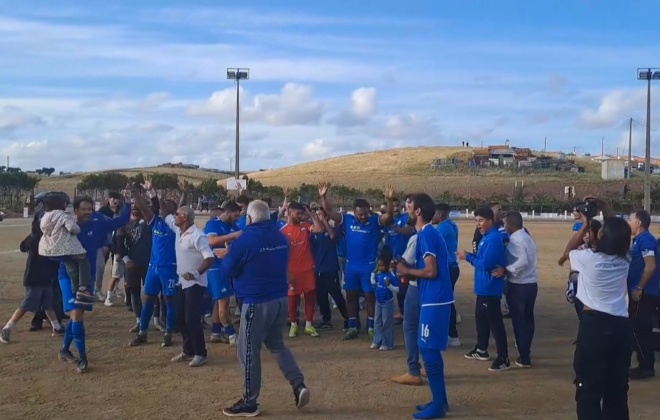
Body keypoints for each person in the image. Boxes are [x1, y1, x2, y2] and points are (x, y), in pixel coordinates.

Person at [218, 200, 310, 417]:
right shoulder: (279, 236)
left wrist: (228, 255)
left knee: (248, 351)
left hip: (256, 301)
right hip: (279, 298)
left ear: (249, 218)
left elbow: (227, 270)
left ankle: (250, 401)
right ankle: (299, 385)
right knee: (277, 346)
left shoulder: (245, 239)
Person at [561, 207, 632, 419]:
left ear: (601, 236)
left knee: (588, 387)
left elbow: (568, 251)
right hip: (621, 326)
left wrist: (585, 224)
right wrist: (605, 212)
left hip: (594, 326)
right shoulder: (626, 258)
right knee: (618, 386)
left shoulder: (587, 259)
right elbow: (618, 233)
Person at [396, 193, 454, 420]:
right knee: (427, 348)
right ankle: (440, 401)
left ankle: (439, 405)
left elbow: (431, 271)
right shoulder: (427, 233)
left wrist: (406, 271)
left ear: (418, 211)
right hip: (433, 298)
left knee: (429, 350)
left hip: (435, 299)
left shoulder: (427, 235)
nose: (407, 210)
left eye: (410, 207)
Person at [58, 194, 130, 373]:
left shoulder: (98, 221)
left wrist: (127, 202)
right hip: (66, 275)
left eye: (89, 209)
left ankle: (65, 349)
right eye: (83, 209)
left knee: (78, 314)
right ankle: (82, 358)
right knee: (76, 314)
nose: (87, 212)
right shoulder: (66, 226)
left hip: (87, 278)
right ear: (75, 211)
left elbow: (120, 221)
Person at [319, 182, 395, 341]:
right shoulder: (346, 220)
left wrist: (389, 201)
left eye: (365, 214)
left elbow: (388, 217)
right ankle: (353, 326)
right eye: (360, 214)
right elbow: (329, 211)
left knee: (369, 297)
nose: (363, 217)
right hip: (351, 266)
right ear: (354, 212)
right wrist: (324, 197)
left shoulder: (374, 221)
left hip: (369, 267)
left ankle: (371, 326)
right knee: (351, 297)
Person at [129, 179, 183, 348]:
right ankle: (143, 332)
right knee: (149, 299)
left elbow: (181, 206)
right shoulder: (156, 222)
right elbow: (145, 208)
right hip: (153, 268)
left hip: (170, 268)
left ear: (174, 211)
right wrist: (136, 192)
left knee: (170, 300)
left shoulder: (177, 226)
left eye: (167, 204)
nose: (162, 205)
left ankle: (168, 333)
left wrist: (184, 193)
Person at [1, 204, 63, 344]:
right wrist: (35, 235)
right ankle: (7, 328)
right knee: (27, 304)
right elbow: (23, 247)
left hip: (46, 276)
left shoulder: (48, 237)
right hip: (34, 277)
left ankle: (57, 327)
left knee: (48, 303)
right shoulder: (37, 238)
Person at [458, 206, 510, 372]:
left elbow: (485, 264)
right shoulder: (486, 237)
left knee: (495, 324)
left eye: (481, 221)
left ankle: (503, 358)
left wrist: (467, 256)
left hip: (490, 289)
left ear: (490, 220)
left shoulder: (493, 239)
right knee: (481, 320)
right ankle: (481, 349)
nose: (478, 224)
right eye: (476, 221)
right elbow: (481, 260)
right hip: (483, 288)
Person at [166, 206, 215, 367]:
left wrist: (195, 273)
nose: (175, 216)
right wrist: (152, 192)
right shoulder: (178, 229)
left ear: (185, 217)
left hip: (196, 283)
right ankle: (188, 350)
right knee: (180, 318)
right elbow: (163, 212)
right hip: (183, 282)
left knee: (192, 319)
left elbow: (209, 259)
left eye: (177, 214)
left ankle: (201, 353)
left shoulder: (198, 236)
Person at [492, 211, 538, 367]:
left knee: (519, 321)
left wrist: (506, 270)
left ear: (510, 225)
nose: (504, 227)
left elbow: (522, 261)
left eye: (505, 224)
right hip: (531, 284)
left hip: (519, 284)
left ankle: (524, 356)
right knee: (528, 319)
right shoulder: (527, 238)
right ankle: (526, 351)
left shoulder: (515, 240)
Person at [38, 195, 95, 305]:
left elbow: (43, 228)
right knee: (83, 259)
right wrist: (77, 228)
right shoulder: (62, 215)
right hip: (64, 247)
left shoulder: (45, 216)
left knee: (71, 266)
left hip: (49, 249)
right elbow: (72, 228)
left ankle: (76, 294)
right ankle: (83, 288)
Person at [281, 201, 324, 338]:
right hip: (292, 272)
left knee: (310, 297)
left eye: (301, 213)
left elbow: (319, 229)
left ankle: (308, 325)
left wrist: (311, 214)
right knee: (292, 299)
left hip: (307, 270)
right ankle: (293, 325)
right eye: (297, 213)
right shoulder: (282, 232)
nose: (300, 216)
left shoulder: (305, 227)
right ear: (289, 212)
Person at [626, 209, 659, 380]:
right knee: (639, 329)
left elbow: (650, 265)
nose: (628, 222)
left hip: (645, 293)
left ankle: (646, 367)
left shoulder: (645, 239)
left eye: (630, 219)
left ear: (638, 223)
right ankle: (644, 364)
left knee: (641, 330)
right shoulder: (640, 239)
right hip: (643, 292)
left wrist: (639, 288)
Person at [204, 201, 242, 344]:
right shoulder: (213, 224)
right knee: (224, 303)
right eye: (235, 215)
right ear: (227, 212)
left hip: (225, 268)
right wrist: (233, 236)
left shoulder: (233, 226)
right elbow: (211, 241)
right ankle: (232, 335)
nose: (237, 218)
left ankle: (215, 332)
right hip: (215, 268)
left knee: (220, 300)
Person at [310, 207, 349, 330]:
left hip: (330, 269)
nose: (318, 217)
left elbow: (332, 236)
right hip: (318, 270)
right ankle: (326, 320)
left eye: (321, 215)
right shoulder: (312, 232)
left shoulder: (334, 229)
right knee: (321, 297)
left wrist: (324, 221)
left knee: (337, 295)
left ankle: (348, 318)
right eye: (316, 215)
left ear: (327, 216)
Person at [120, 198, 153, 333]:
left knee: (152, 293)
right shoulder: (123, 224)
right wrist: (126, 259)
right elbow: (119, 244)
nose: (135, 207)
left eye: (138, 205)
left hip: (149, 263)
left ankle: (155, 319)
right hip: (131, 264)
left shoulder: (150, 222)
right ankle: (139, 321)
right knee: (134, 292)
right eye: (133, 205)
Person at [434, 203, 461, 347]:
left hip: (447, 267)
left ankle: (452, 334)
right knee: (447, 299)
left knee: (444, 301)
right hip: (452, 266)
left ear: (439, 215)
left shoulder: (442, 228)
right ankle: (451, 331)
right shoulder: (452, 224)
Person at [370, 252, 399, 350]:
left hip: (387, 302)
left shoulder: (391, 276)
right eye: (379, 266)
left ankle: (387, 343)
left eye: (382, 266)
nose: (380, 268)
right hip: (378, 301)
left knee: (386, 321)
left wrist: (389, 285)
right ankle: (377, 341)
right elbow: (373, 282)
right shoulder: (379, 275)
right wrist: (373, 274)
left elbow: (397, 289)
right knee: (377, 321)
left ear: (387, 265)